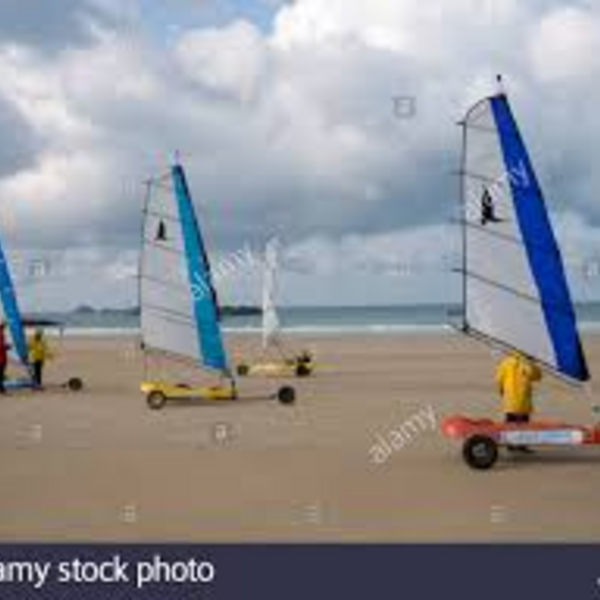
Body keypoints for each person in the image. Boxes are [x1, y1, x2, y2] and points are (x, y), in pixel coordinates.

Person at [496, 351, 542, 453]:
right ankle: (521, 445)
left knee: (510, 421)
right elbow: (537, 376)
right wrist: (532, 363)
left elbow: (499, 378)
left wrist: (501, 390)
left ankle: (510, 444)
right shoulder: (526, 363)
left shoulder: (506, 361)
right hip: (522, 399)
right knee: (523, 423)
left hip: (510, 398)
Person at [0, 322, 10, 394]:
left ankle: (2, 388)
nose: (4, 328)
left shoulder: (2, 334)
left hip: (3, 357)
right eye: (3, 327)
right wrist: (6, 346)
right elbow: (1, 345)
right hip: (1, 358)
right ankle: (2, 389)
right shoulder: (1, 334)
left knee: (2, 374)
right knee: (1, 374)